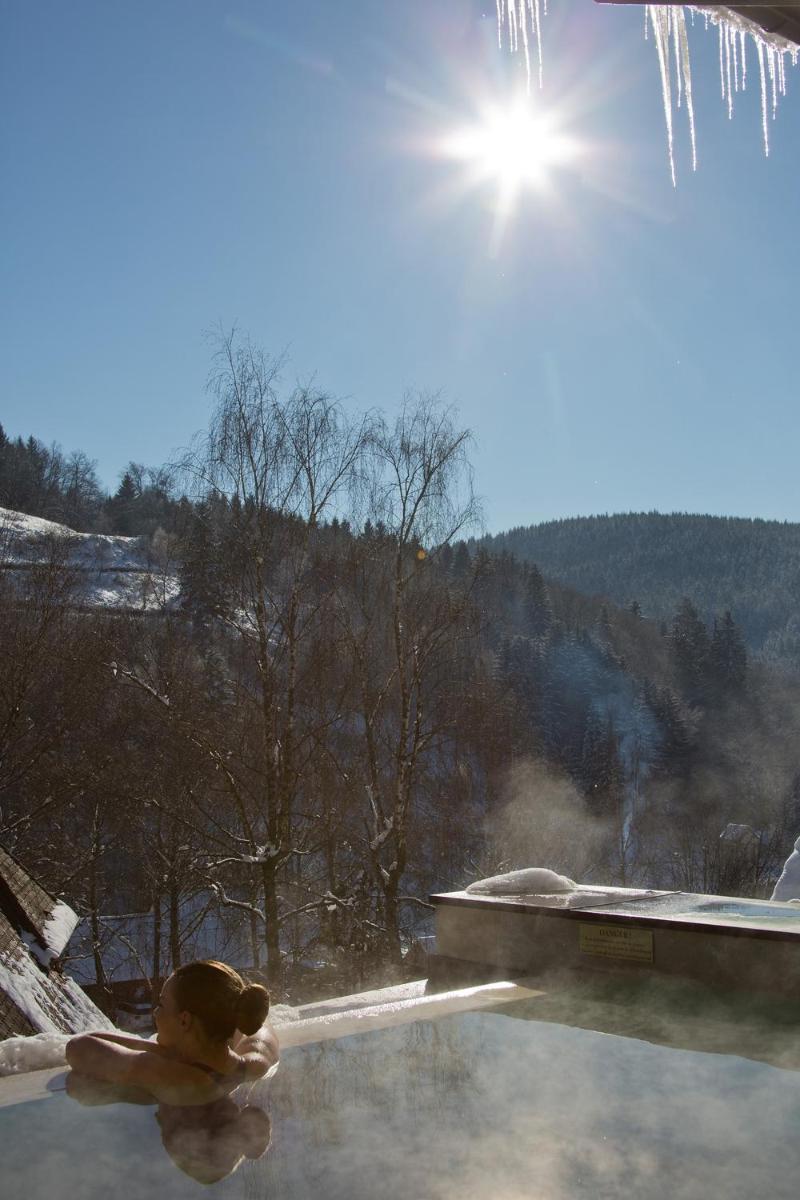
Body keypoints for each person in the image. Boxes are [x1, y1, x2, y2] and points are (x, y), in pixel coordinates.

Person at [66, 959, 279, 1106]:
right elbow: (259, 1026)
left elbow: (79, 1047)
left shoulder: (176, 1077)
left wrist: (165, 1053)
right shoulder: (253, 1064)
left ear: (184, 1020)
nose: (155, 1013)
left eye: (161, 1004)